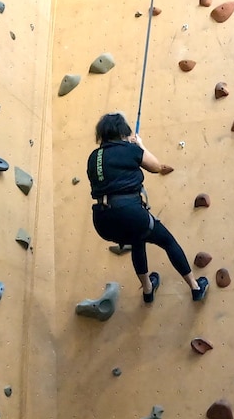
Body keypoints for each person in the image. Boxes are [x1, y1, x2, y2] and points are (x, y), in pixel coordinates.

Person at [86, 112, 208, 304]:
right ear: (122, 132)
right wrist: (139, 145)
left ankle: (148, 290)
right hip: (129, 213)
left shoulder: (94, 157)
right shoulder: (129, 149)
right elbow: (156, 167)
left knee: (137, 240)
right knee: (167, 241)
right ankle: (196, 287)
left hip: (102, 221)